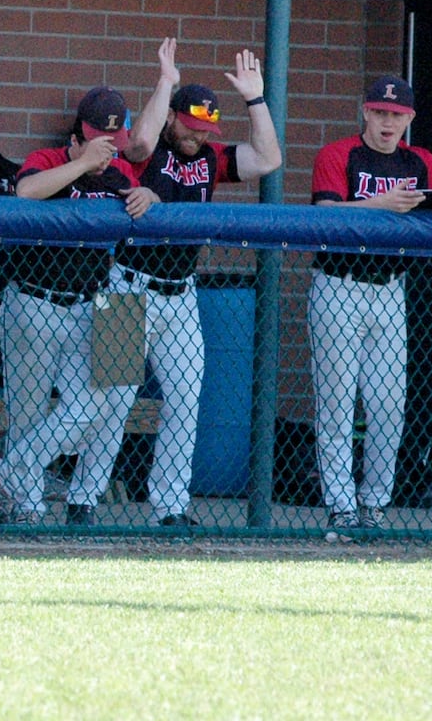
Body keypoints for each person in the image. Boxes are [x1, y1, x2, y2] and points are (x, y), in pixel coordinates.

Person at [308, 75, 432, 530]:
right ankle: (342, 506)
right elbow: (322, 215)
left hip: (389, 288)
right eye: (380, 112)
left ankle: (374, 503)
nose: (388, 122)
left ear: (409, 119)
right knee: (337, 401)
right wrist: (382, 204)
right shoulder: (338, 154)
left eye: (397, 115)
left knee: (389, 403)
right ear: (365, 112)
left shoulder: (417, 160)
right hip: (338, 283)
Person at [121, 40, 281, 526]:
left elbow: (268, 159)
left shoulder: (210, 157)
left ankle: (169, 507)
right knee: (105, 402)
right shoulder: (147, 146)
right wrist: (165, 82)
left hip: (181, 293)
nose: (196, 136)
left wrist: (255, 99)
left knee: (187, 398)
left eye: (204, 128)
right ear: (172, 116)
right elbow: (140, 146)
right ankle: (53, 487)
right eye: (189, 126)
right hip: (125, 288)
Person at [0, 86, 157, 525]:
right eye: (98, 143)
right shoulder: (48, 159)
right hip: (35, 299)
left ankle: (14, 475)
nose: (107, 154)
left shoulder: (121, 173)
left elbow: (148, 198)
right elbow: (26, 192)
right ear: (77, 138)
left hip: (97, 303)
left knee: (94, 406)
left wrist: (151, 198)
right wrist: (82, 164)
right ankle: (24, 507)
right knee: (26, 412)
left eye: (113, 144)